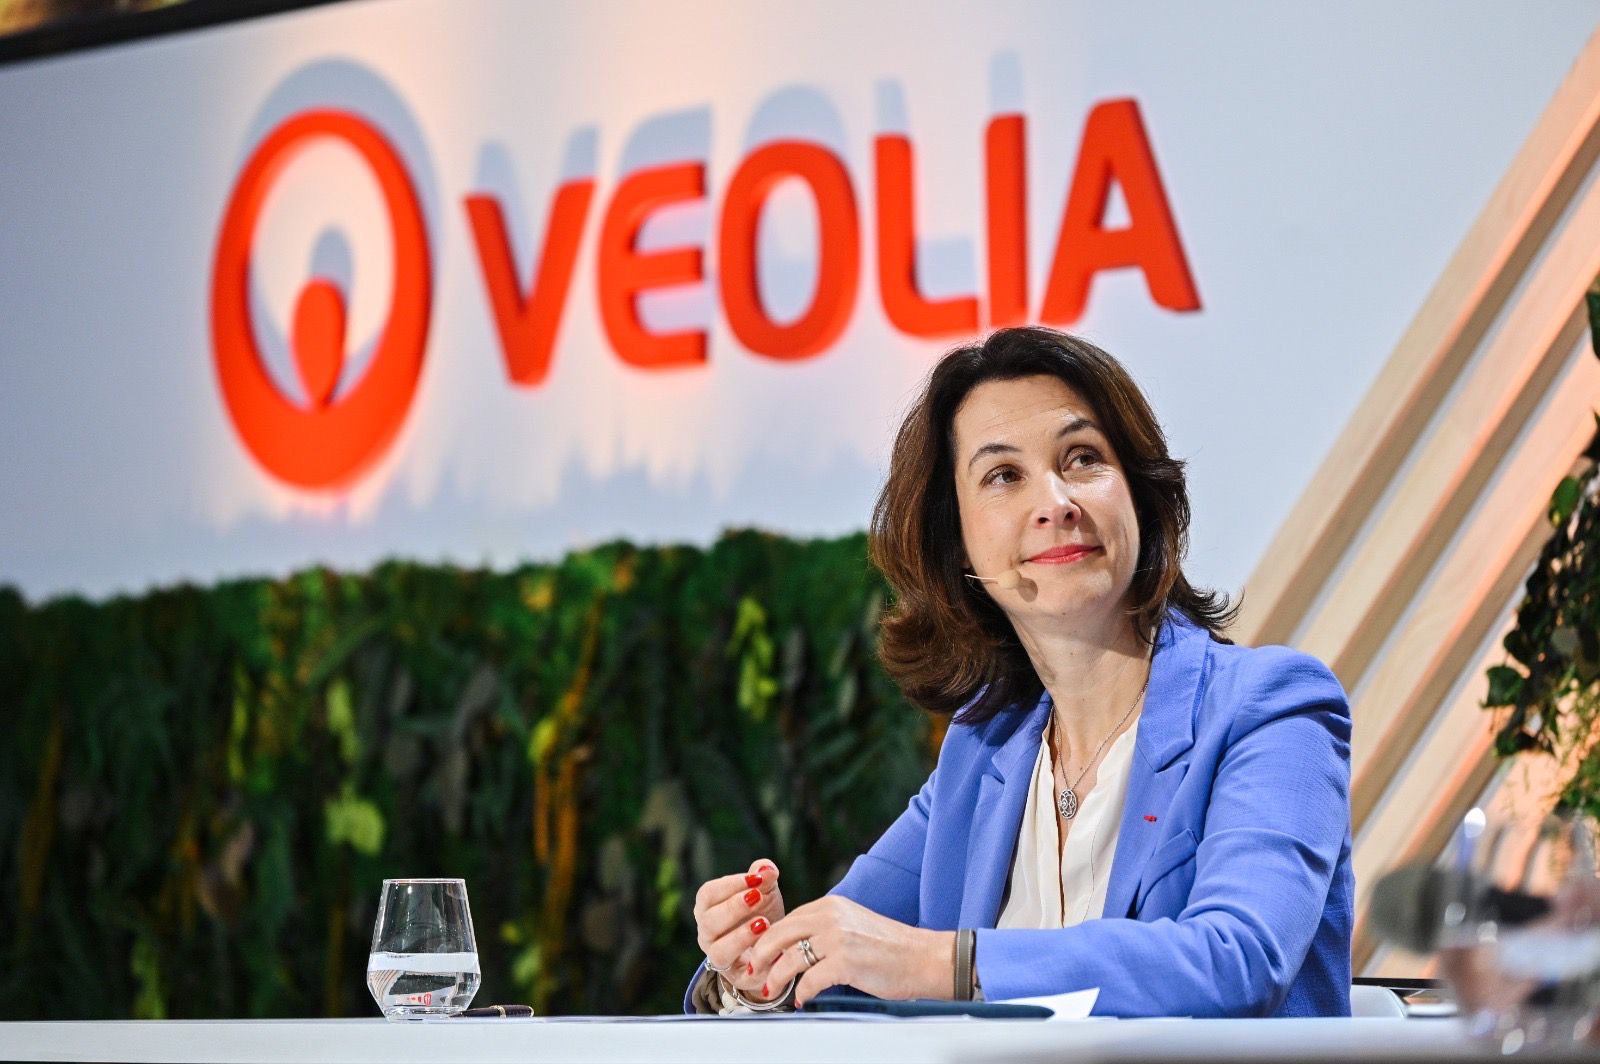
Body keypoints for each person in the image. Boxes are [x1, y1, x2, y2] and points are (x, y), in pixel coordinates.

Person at [685, 327, 1353, 1017]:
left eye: (1083, 459)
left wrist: (946, 963)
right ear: (958, 542)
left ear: (1140, 496)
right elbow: (849, 955)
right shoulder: (983, 751)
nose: (1055, 502)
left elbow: (1238, 958)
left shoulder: (1271, 708)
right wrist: (759, 967)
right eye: (1004, 476)